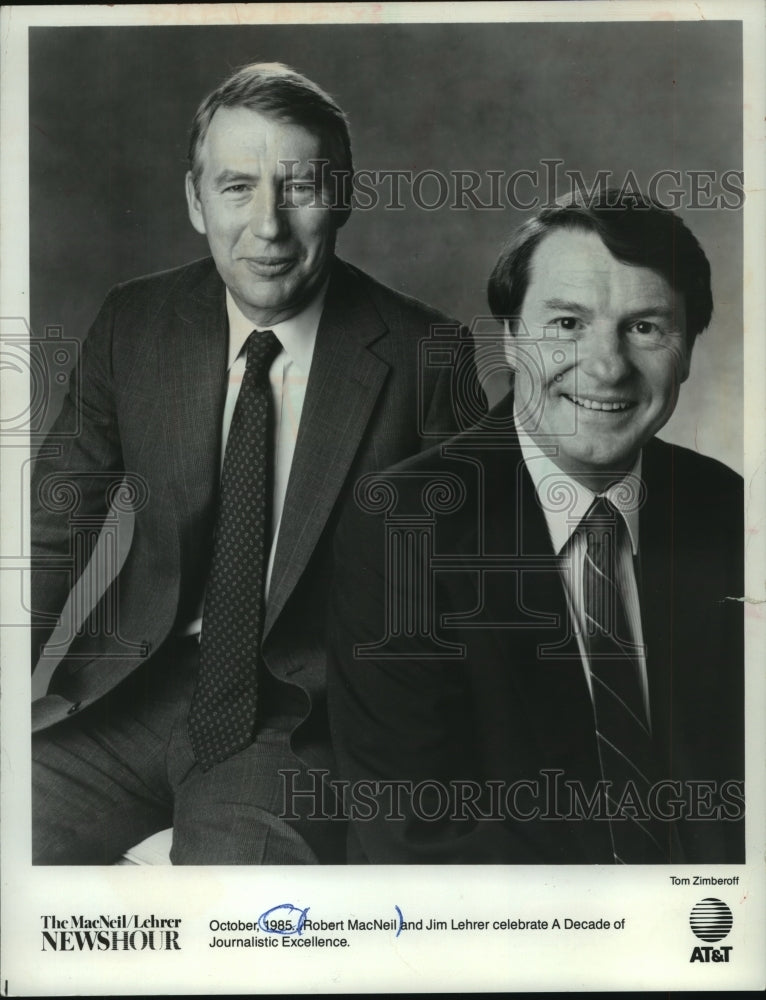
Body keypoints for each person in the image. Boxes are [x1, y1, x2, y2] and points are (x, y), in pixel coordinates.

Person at [31, 62, 483, 864]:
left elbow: (473, 585)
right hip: (126, 690)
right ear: (195, 200)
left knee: (237, 910)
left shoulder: (427, 353)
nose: (268, 227)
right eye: (237, 187)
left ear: (343, 196)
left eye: (299, 187)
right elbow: (50, 527)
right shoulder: (135, 322)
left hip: (297, 721)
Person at [328, 189, 744, 865]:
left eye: (645, 327)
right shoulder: (405, 526)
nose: (607, 367)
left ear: (689, 351)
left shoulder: (730, 511)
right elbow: (417, 834)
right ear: (512, 339)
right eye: (568, 324)